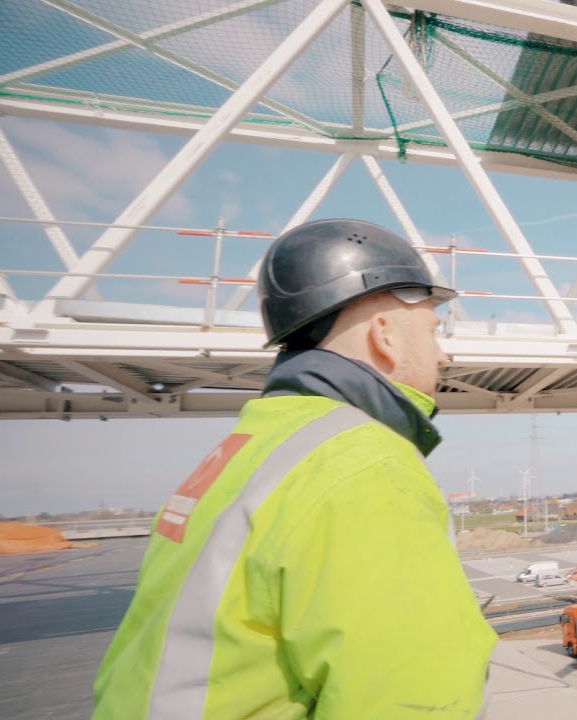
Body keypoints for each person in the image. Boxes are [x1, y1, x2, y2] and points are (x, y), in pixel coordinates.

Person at [93, 219, 496, 718]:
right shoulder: (362, 466)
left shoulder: (246, 448)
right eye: (434, 331)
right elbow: (412, 701)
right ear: (385, 335)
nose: (444, 353)